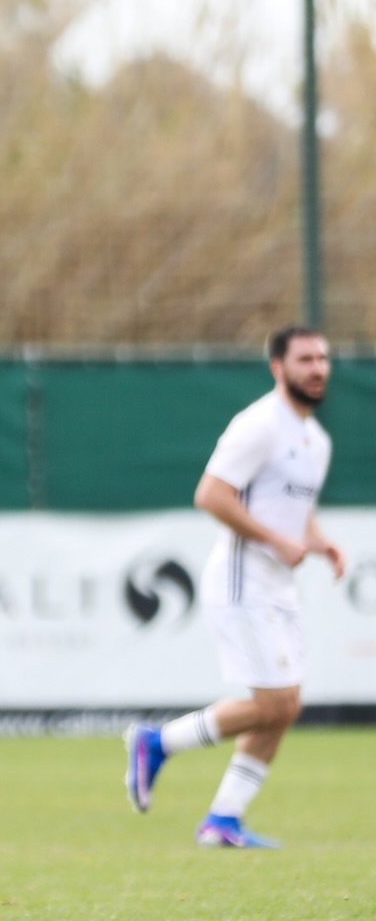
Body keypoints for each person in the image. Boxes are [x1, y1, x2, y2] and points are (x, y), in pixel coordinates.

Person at [125, 325, 346, 847]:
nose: (317, 368)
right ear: (278, 367)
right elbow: (211, 494)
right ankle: (158, 742)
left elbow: (296, 511)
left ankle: (223, 820)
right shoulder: (260, 425)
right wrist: (276, 540)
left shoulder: (316, 440)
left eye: (322, 359)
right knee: (274, 704)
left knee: (285, 707)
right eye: (305, 360)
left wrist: (319, 542)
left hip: (278, 586)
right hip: (241, 581)